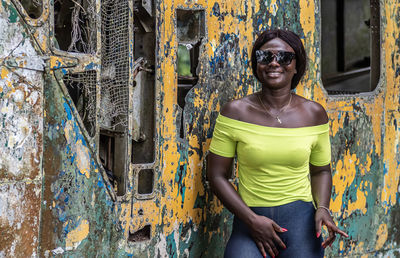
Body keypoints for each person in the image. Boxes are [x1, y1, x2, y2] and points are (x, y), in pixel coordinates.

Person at [207, 29, 348, 258]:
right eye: (265, 56)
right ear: (256, 63)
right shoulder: (234, 112)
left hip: (301, 224)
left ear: (296, 65)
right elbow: (216, 175)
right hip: (249, 223)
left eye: (284, 57)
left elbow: (321, 170)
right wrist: (252, 220)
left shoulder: (314, 114)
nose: (274, 63)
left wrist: (322, 208)